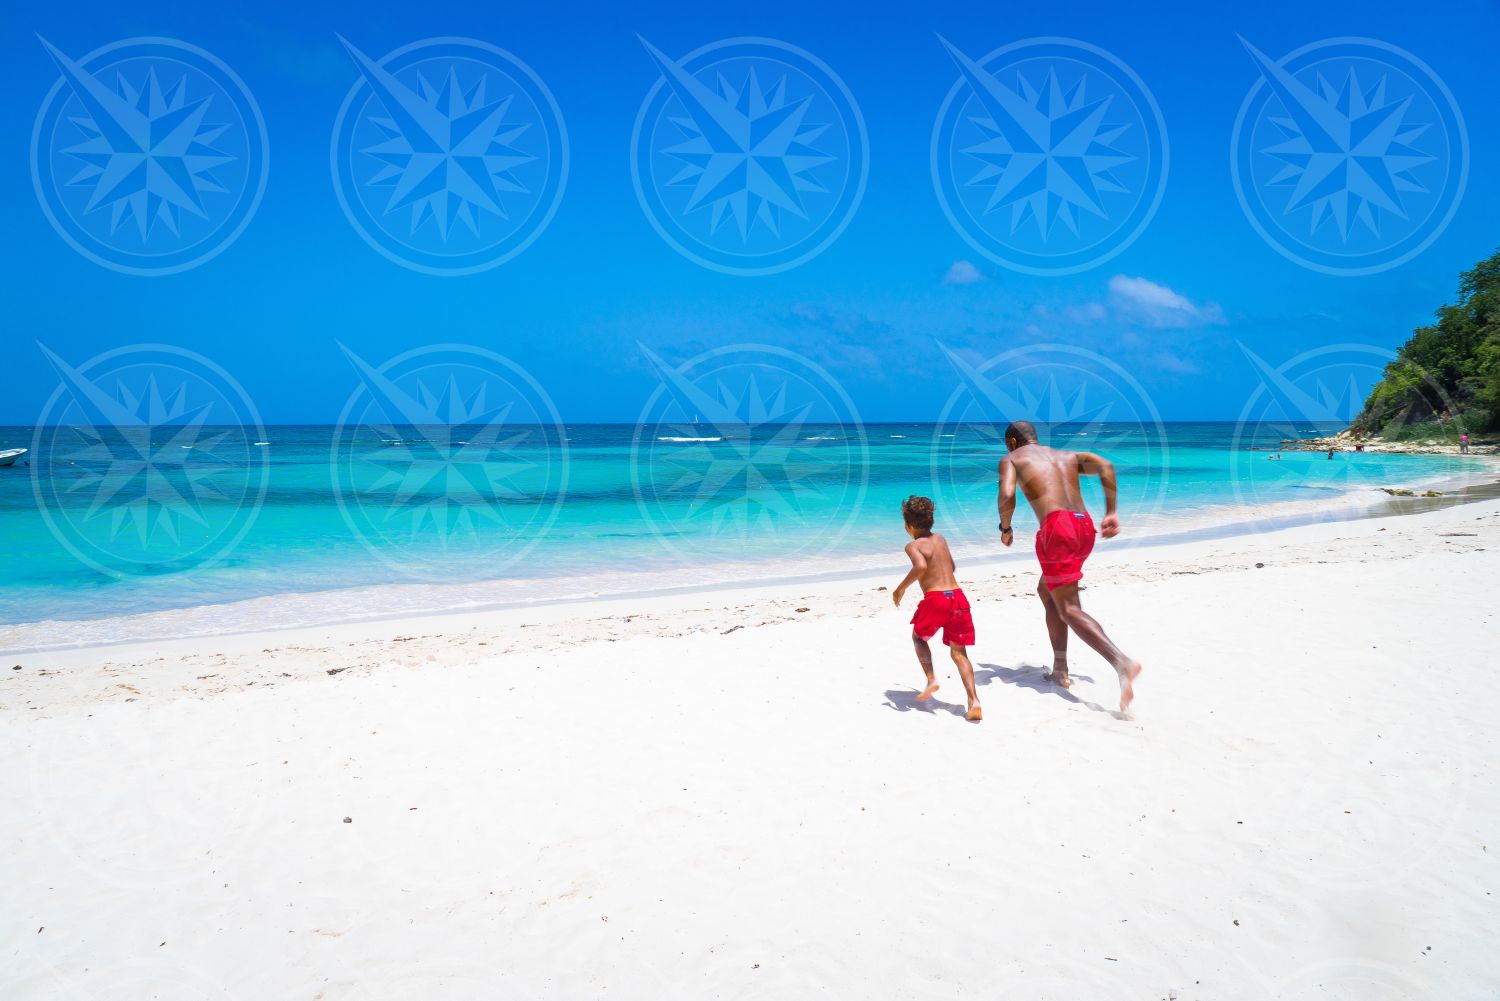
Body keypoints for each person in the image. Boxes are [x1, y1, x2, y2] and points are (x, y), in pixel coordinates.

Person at [997, 421, 1142, 715]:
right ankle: (1060, 668)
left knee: (1069, 607)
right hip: (1083, 524)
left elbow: (1008, 493)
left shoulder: (1012, 458)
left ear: (1012, 442)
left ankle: (1121, 663)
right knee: (1046, 589)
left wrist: (1005, 526)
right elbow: (1106, 466)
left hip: (1057, 529)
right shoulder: (1066, 456)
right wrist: (1111, 511)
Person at [892, 495, 981, 722]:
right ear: (931, 520)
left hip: (936, 599)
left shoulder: (912, 545)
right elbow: (952, 566)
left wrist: (900, 588)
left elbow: (921, 566)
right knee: (959, 653)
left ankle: (931, 679)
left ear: (908, 526)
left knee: (919, 638)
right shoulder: (941, 539)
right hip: (958, 598)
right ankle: (973, 700)